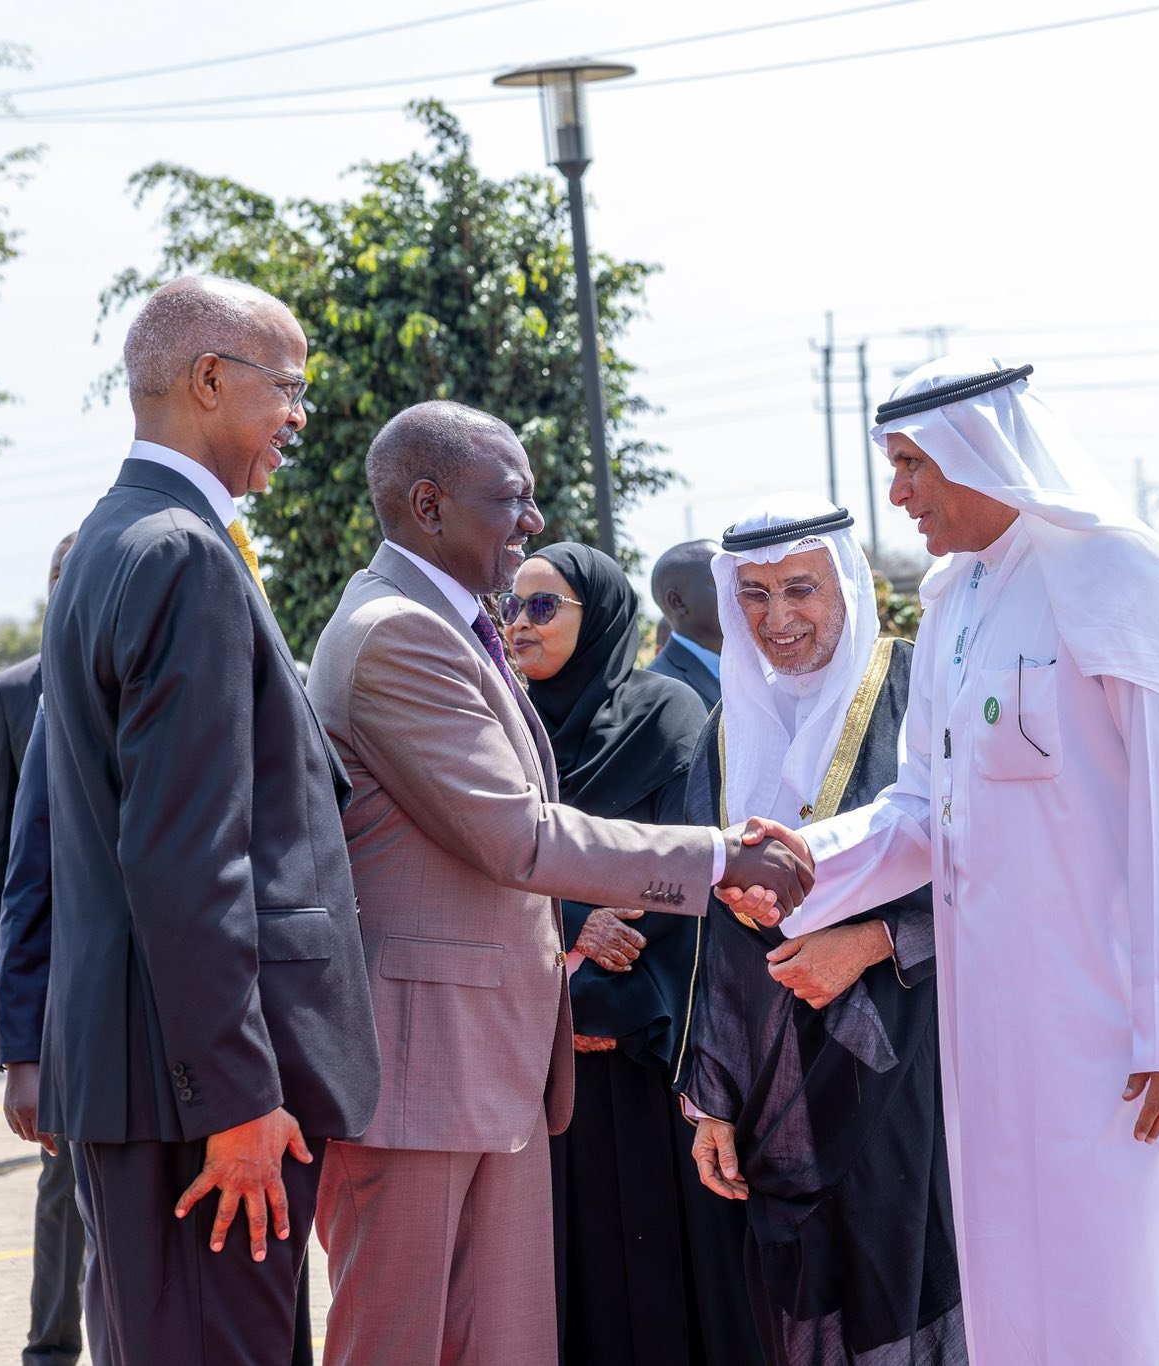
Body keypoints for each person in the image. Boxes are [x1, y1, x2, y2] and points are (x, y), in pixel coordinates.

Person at [730, 359, 1159, 1364]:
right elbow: (919, 809)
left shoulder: (1113, 569)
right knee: (1014, 1285)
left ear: (976, 448)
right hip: (989, 1029)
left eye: (911, 463)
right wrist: (807, 858)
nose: (897, 492)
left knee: (1127, 1282)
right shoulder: (951, 600)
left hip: (1115, 1026)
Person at [305, 400, 812, 1365]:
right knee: (403, 1343)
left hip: (484, 1061)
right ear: (429, 505)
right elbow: (517, 836)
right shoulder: (396, 633)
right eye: (512, 498)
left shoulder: (447, 623)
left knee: (505, 1344)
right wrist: (717, 858)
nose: (532, 521)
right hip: (422, 1070)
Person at [40, 274, 379, 1366]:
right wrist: (236, 1096)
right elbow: (187, 856)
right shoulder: (182, 553)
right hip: (197, 1102)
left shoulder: (118, 537)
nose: (299, 418)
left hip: (150, 1077)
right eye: (288, 388)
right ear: (207, 380)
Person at [683, 495, 965, 1364]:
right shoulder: (727, 730)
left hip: (908, 1062)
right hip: (776, 1099)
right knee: (802, 1307)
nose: (778, 619)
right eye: (755, 595)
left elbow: (986, 860)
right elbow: (706, 936)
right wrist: (710, 1100)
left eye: (800, 589)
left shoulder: (916, 692)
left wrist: (876, 942)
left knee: (911, 1283)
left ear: (847, 583)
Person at [501, 540, 760, 1366]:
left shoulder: (667, 717)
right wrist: (571, 942)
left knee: (672, 1274)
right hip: (549, 1055)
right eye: (510, 605)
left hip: (653, 1048)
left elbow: (690, 878)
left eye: (543, 606)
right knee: (573, 1276)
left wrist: (610, 1000)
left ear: (602, 616)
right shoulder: (501, 725)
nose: (519, 623)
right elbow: (487, 859)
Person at [0, 531, 87, 1366]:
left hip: (125, 965)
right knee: (61, 1173)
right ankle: (49, 1348)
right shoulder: (16, 689)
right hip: (49, 972)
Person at [0, 530, 75, 1053]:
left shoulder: (134, 674)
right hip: (37, 943)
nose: (64, 582)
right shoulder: (13, 690)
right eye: (56, 573)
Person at [649, 540, 726, 708]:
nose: (736, 590)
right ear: (677, 602)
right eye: (721, 581)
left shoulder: (758, 664)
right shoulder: (657, 691)